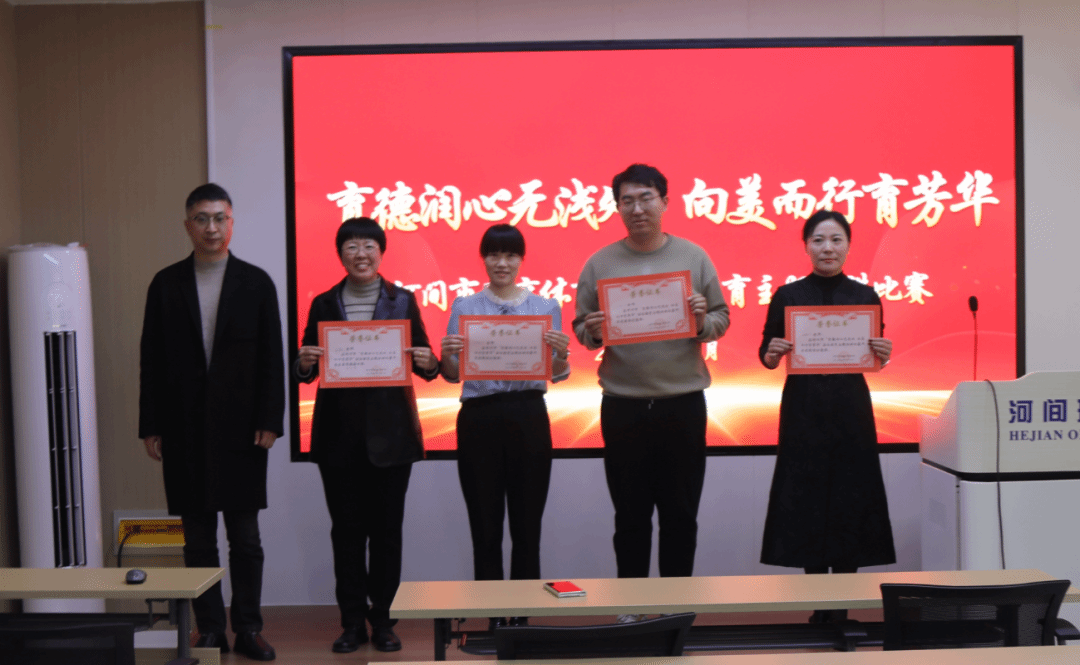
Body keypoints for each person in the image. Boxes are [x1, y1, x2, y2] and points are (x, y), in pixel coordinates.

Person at [139, 183, 283, 661]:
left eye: (220, 218)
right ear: (188, 226)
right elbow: (151, 358)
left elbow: (272, 356)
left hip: (244, 429)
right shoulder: (165, 283)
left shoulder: (256, 282)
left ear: (231, 223)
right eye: (202, 219)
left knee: (245, 538)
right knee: (197, 539)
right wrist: (150, 423)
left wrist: (271, 419)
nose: (211, 228)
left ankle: (249, 628)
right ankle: (211, 630)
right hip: (183, 427)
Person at [572, 164, 730, 601]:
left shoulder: (693, 257)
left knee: (681, 515)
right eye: (627, 200)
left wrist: (701, 320)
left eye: (646, 198)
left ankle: (677, 609)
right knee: (630, 517)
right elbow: (582, 328)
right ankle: (632, 608)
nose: (637, 208)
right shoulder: (600, 262)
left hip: (682, 403)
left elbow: (721, 317)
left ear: (665, 201)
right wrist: (595, 330)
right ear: (617, 207)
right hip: (623, 406)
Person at [295, 217, 439, 653]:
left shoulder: (403, 301)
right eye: (352, 247)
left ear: (381, 251)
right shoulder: (324, 303)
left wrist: (429, 361)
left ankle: (385, 621)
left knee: (387, 534)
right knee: (347, 534)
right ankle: (352, 623)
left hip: (392, 438)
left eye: (368, 246)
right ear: (341, 254)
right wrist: (304, 362)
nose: (361, 254)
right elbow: (306, 367)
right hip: (338, 439)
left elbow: (426, 364)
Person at [758, 209, 896, 621]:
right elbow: (766, 352)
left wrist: (884, 354)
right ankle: (820, 607)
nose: (827, 248)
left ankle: (842, 609)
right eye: (818, 240)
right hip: (803, 410)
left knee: (852, 499)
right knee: (807, 501)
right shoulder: (788, 295)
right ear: (806, 246)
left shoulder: (865, 296)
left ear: (848, 246)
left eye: (836, 240)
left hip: (851, 410)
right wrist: (771, 354)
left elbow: (874, 355)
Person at [439, 224, 571, 630]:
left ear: (521, 260)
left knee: (527, 524)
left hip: (528, 414)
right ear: (483, 259)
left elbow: (557, 373)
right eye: (494, 254)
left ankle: (523, 615)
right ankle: (494, 614)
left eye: (510, 255)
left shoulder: (545, 307)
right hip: (478, 417)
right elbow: (452, 374)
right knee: (485, 522)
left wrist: (561, 355)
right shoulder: (464, 306)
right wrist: (447, 356)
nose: (502, 263)